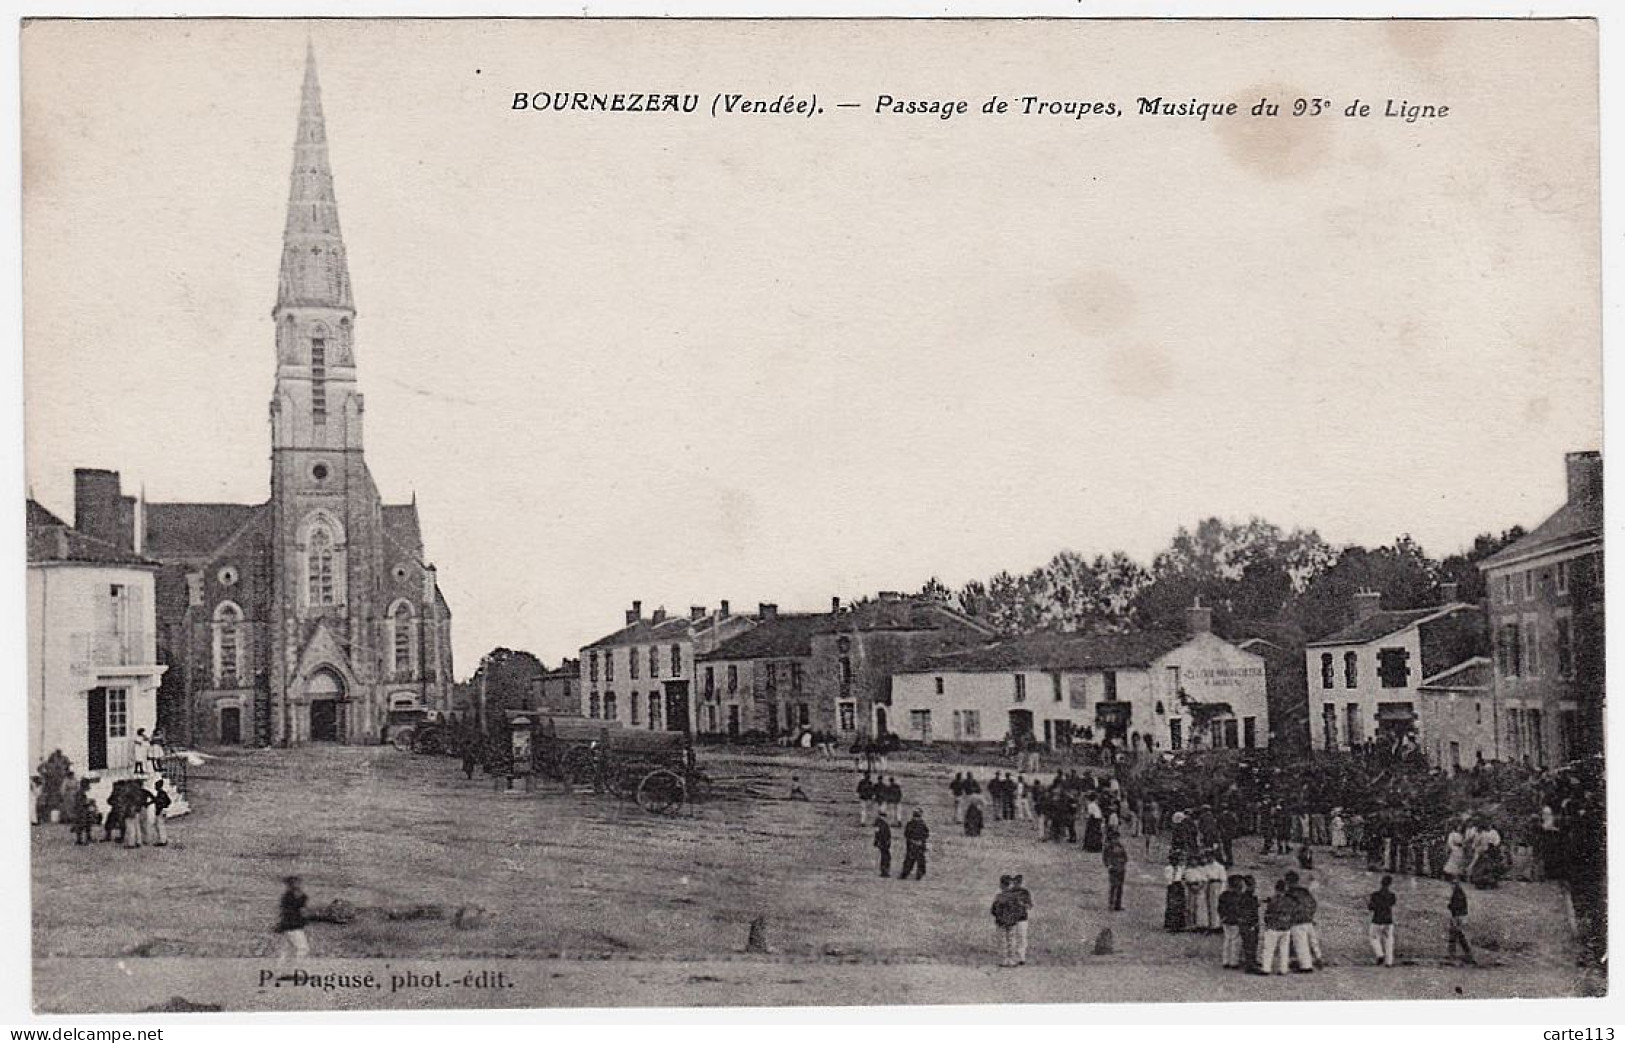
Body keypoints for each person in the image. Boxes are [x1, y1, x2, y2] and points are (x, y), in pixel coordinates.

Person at [1284, 870, 1319, 971]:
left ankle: (1305, 966)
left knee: (1299, 943)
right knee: (1305, 942)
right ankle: (1304, 961)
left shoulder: (1289, 893)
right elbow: (1313, 903)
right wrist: (1310, 915)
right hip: (1308, 919)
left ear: (1287, 882)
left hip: (1296, 921)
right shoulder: (1304, 891)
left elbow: (1288, 907)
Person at [1260, 880, 1295, 975]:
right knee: (1284, 949)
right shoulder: (1289, 901)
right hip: (1286, 927)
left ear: (1276, 889)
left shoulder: (1273, 900)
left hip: (1273, 927)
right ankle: (1283, 969)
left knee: (1269, 949)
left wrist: (1267, 922)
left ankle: (1266, 968)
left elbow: (1268, 914)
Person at [991, 875, 1026, 968]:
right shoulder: (1014, 896)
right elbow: (1018, 909)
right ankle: (1012, 960)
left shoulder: (999, 896)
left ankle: (1004, 960)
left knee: (1002, 941)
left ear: (1001, 885)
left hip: (1001, 922)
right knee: (1012, 941)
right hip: (1012, 922)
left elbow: (993, 910)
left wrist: (998, 917)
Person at [276, 876, 311, 964]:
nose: (300, 885)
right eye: (298, 883)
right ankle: (295, 969)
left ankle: (281, 970)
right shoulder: (296, 897)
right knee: (303, 948)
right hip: (294, 926)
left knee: (287, 950)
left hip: (287, 926)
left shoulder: (287, 897)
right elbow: (301, 912)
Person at [1367, 875, 1396, 967]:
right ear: (1390, 884)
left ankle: (1380, 954)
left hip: (1377, 920)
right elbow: (1392, 903)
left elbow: (1370, 907)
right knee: (1389, 941)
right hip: (1388, 920)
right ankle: (1389, 961)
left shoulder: (1375, 895)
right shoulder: (1392, 895)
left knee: (1373, 938)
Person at [1218, 876, 1245, 968]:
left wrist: (1222, 917)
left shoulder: (1224, 895)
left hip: (1226, 920)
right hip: (1235, 920)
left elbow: (1220, 908)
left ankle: (1225, 961)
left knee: (1227, 940)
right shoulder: (1239, 896)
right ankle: (1234, 961)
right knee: (1235, 941)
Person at [1448, 882, 1476, 964]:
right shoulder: (1459, 894)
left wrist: (1450, 907)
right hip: (1458, 917)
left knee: (1456, 935)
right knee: (1458, 936)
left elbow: (1456, 907)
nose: (1451, 887)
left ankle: (1455, 954)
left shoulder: (1458, 895)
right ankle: (1466, 953)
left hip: (1458, 918)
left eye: (1452, 885)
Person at [1238, 876, 1262, 973]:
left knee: (1253, 942)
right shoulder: (1246, 898)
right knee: (1249, 943)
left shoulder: (1248, 897)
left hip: (1252, 923)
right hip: (1248, 923)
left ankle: (1252, 961)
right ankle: (1250, 965)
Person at [900, 809, 930, 880]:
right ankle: (919, 873)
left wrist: (911, 840)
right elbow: (926, 834)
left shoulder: (910, 824)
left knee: (909, 859)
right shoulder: (922, 824)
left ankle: (905, 873)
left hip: (911, 844)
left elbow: (906, 834)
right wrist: (921, 841)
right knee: (920, 860)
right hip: (919, 845)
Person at [1104, 829, 1129, 911]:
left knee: (1120, 888)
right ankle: (1111, 904)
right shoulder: (1108, 848)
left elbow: (1125, 857)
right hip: (1113, 869)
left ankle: (1118, 904)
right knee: (1113, 887)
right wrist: (1109, 865)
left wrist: (1123, 863)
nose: (1116, 840)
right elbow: (1105, 858)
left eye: (1117, 838)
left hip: (1121, 869)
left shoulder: (1120, 846)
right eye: (1114, 838)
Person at [1163, 859, 1188, 932]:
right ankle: (1170, 923)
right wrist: (1172, 883)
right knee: (1171, 904)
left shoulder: (1181, 868)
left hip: (1179, 885)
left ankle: (1180, 924)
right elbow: (1168, 878)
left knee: (1180, 904)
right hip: (1172, 885)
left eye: (1176, 860)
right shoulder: (1168, 868)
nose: (1175, 861)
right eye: (1173, 859)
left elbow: (1183, 877)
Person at [69, 779, 96, 846]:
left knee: (86, 825)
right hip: (81, 812)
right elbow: (81, 803)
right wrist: (89, 802)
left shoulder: (81, 792)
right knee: (82, 825)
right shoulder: (80, 793)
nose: (89, 786)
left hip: (82, 811)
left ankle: (85, 839)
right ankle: (80, 840)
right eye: (88, 785)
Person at [151, 779, 172, 846]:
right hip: (162, 810)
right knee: (160, 825)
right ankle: (163, 839)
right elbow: (168, 801)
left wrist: (161, 806)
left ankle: (162, 840)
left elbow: (162, 802)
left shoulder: (160, 793)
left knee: (159, 825)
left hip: (160, 810)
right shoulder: (162, 793)